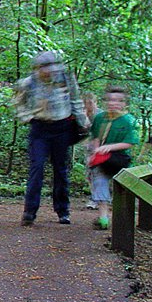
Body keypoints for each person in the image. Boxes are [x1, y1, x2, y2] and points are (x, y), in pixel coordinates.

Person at [12, 51, 89, 226]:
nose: (50, 70)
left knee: (60, 170)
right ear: (37, 68)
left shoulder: (66, 80)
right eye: (45, 66)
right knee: (37, 167)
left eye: (52, 66)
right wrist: (27, 116)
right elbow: (18, 103)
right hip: (40, 128)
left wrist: (83, 121)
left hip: (62, 128)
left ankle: (63, 210)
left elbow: (76, 101)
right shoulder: (28, 83)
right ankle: (29, 212)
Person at [88, 86, 138, 229]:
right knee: (99, 182)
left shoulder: (129, 121)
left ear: (123, 103)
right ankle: (103, 218)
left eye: (117, 101)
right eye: (110, 100)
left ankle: (122, 219)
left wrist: (110, 147)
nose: (113, 103)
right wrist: (95, 151)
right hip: (102, 157)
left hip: (120, 158)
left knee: (121, 187)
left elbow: (130, 142)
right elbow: (96, 136)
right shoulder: (100, 118)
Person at [82, 92, 99, 209]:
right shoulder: (83, 115)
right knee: (89, 174)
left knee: (98, 173)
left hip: (101, 148)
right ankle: (95, 197)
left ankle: (97, 199)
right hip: (89, 148)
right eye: (86, 103)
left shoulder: (101, 115)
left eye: (90, 103)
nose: (88, 105)